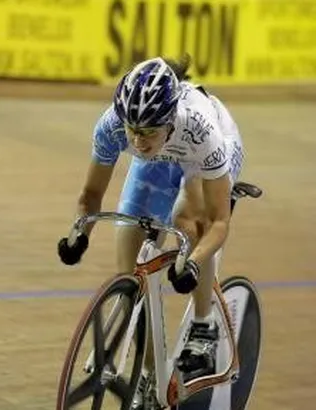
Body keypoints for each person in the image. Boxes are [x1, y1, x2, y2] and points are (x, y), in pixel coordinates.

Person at [57, 55, 245, 407]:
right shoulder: (113, 125)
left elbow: (220, 222)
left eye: (148, 132)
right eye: (133, 131)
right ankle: (149, 376)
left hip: (201, 157)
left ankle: (204, 326)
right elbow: (91, 195)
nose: (138, 141)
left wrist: (194, 260)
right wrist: (79, 234)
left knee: (188, 221)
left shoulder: (200, 128)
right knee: (130, 260)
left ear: (170, 121)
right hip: (161, 160)